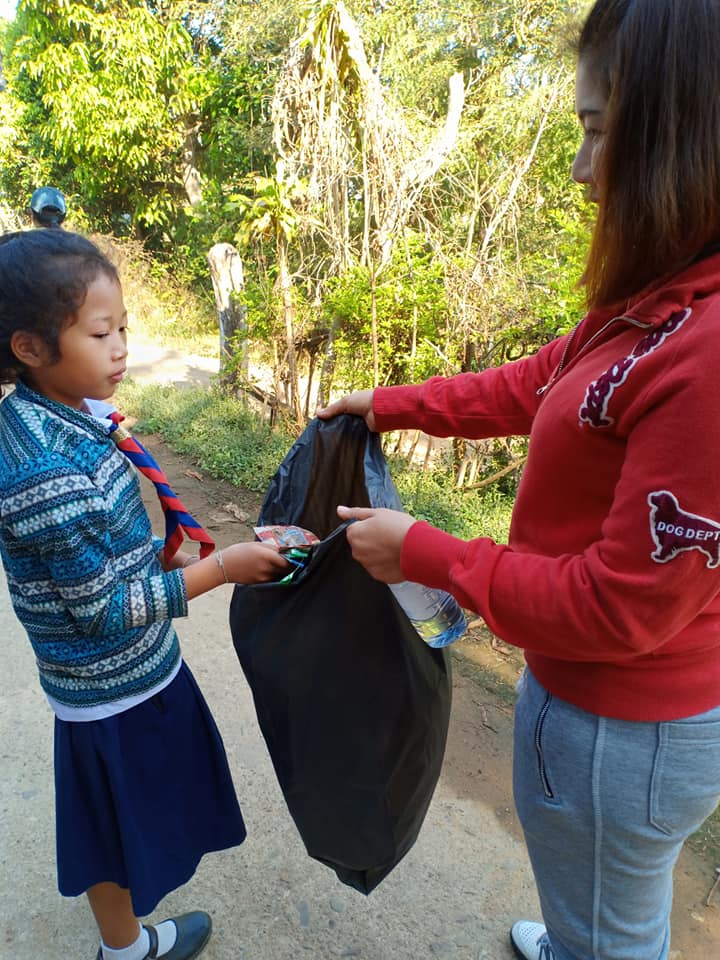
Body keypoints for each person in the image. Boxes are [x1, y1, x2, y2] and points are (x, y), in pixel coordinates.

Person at [318, 1, 720, 958]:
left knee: (611, 935)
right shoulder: (658, 303)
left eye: (598, 131)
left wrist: (426, 554)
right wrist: (389, 404)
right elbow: (537, 384)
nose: (581, 170)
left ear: (683, 133)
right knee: (601, 907)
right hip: (597, 709)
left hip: (625, 727)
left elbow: (619, 608)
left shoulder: (707, 353)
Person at [0, 229, 289, 960]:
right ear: (29, 348)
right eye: (101, 334)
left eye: (124, 328)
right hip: (111, 688)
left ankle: (123, 944)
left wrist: (171, 555)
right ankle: (125, 948)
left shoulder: (62, 413)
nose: (121, 348)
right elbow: (103, 610)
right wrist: (222, 570)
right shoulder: (45, 472)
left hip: (128, 674)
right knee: (115, 829)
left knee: (114, 823)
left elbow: (107, 546)